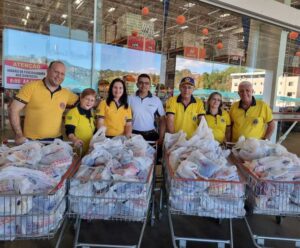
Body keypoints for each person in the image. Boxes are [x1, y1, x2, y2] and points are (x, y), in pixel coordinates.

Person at [9, 60, 78, 144]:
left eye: (62, 74)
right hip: (32, 141)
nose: (59, 76)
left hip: (56, 141)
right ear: (48, 71)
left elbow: (85, 101)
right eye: (56, 72)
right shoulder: (31, 87)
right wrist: (18, 134)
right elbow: (13, 109)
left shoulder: (66, 93)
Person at [128, 74, 166, 145]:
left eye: (146, 83)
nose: (143, 85)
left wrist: (161, 137)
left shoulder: (156, 100)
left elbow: (162, 120)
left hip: (151, 136)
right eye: (141, 82)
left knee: (151, 156)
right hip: (133, 135)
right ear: (137, 84)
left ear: (150, 85)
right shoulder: (130, 98)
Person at [65, 88, 96, 155]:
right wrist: (74, 139)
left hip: (89, 152)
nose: (89, 102)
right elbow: (69, 131)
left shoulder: (91, 113)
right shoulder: (73, 112)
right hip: (77, 152)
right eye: (87, 99)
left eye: (92, 100)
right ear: (81, 98)